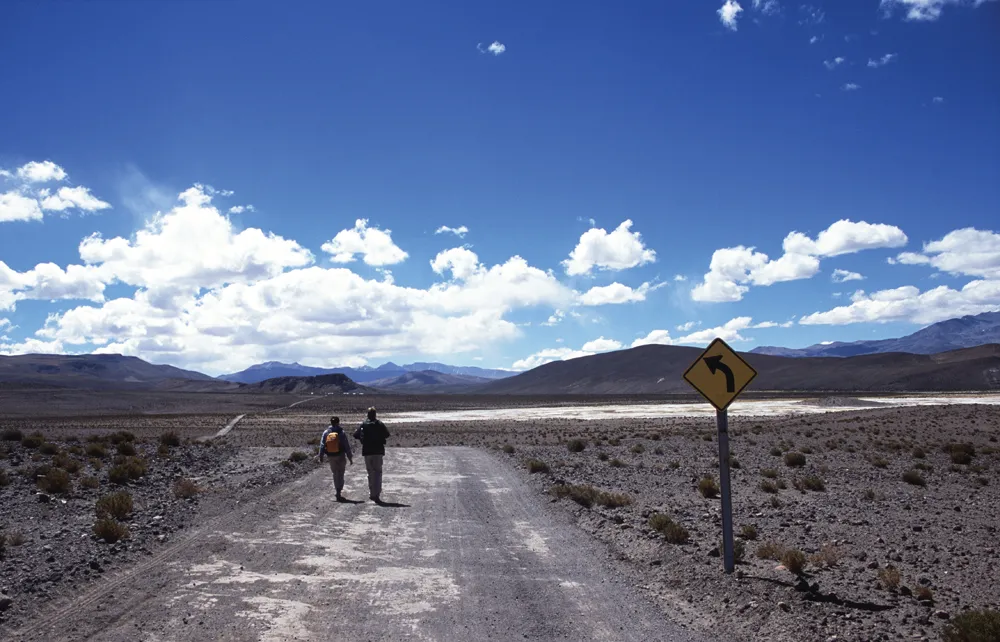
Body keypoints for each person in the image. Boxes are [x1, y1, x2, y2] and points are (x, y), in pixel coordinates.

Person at [354, 407, 390, 503]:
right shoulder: (380, 424)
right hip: (378, 451)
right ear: (375, 414)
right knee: (378, 472)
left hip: (367, 451)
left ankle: (371, 493)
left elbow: (355, 435)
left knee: (370, 472)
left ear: (368, 414)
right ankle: (377, 494)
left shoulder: (364, 424)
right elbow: (387, 434)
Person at [318, 416, 353, 502]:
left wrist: (321, 456)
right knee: (341, 473)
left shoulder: (326, 432)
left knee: (335, 473)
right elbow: (346, 445)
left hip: (331, 456)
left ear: (331, 422)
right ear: (338, 422)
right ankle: (338, 490)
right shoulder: (341, 432)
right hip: (340, 455)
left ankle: (337, 489)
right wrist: (350, 457)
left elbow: (322, 444)